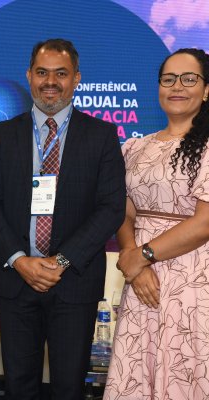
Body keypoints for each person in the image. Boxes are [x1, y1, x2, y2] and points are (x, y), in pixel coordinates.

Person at [0, 38, 126, 400]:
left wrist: (59, 261)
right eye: (42, 72)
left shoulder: (101, 136)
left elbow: (111, 208)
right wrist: (20, 260)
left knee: (68, 387)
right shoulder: (4, 134)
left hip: (73, 283)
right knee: (19, 385)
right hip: (16, 282)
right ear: (29, 76)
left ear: (77, 78)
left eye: (61, 73)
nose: (50, 82)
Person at [104, 48, 209, 400]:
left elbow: (204, 222)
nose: (177, 86)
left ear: (206, 89)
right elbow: (124, 211)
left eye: (189, 79)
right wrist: (133, 258)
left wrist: (143, 255)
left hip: (192, 284)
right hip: (141, 284)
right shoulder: (135, 147)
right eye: (168, 79)